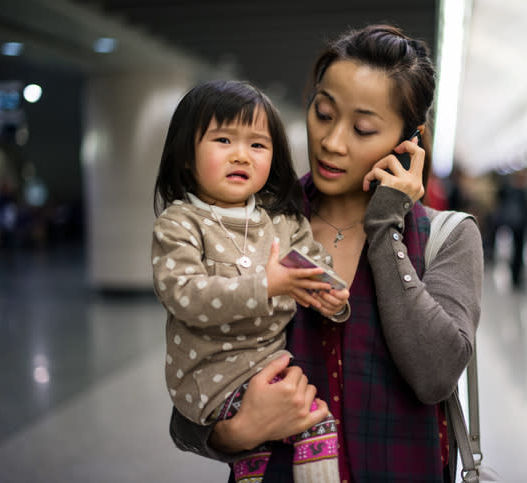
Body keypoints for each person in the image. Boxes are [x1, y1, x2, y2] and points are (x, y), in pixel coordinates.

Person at [168, 25, 484, 483]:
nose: (333, 142)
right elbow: (190, 380)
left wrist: (385, 229)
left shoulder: (445, 237)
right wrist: (232, 433)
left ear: (407, 140)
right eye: (323, 112)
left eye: (363, 129)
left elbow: (435, 374)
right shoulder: (247, 223)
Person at [151, 80, 351, 483]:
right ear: (186, 156)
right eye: (223, 139)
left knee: (310, 426)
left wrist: (330, 296)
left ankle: (250, 462)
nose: (241, 155)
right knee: (315, 423)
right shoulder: (180, 223)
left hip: (270, 367)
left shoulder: (283, 220)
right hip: (210, 378)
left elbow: (315, 265)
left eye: (258, 145)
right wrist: (267, 284)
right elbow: (184, 295)